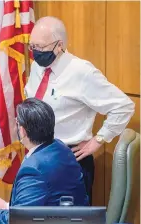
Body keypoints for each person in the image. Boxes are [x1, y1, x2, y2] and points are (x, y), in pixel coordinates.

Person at [25, 16, 135, 204]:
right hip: (37, 156)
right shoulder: (37, 67)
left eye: (40, 47)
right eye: (32, 46)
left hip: (69, 160)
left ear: (59, 46)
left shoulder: (81, 71)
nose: (35, 52)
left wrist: (99, 139)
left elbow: (123, 105)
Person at [0, 98, 89, 224]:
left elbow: (19, 220)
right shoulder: (62, 148)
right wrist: (8, 207)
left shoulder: (34, 169)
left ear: (22, 130)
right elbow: (47, 201)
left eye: (17, 123)